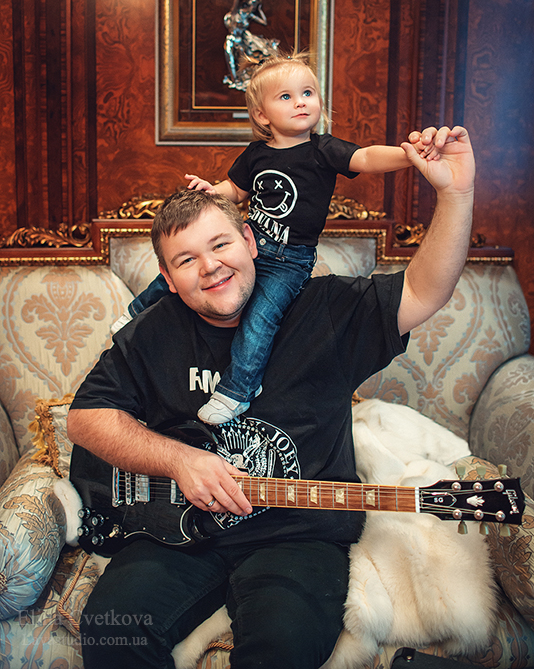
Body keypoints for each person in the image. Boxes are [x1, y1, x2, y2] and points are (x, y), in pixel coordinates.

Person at [67, 123, 475, 669]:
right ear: (166, 276)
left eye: (221, 244)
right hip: (177, 534)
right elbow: (85, 418)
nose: (210, 266)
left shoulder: (324, 309)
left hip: (298, 537)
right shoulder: (152, 331)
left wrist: (456, 193)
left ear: (251, 241)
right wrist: (180, 460)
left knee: (282, 647)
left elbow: (426, 289)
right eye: (186, 260)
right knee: (109, 631)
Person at [120, 52, 441, 426]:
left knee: (260, 318)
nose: (300, 102)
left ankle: (236, 392)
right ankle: (134, 313)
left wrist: (409, 155)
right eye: (286, 97)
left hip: (289, 260)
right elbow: (236, 190)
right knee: (185, 273)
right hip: (250, 244)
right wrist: (212, 190)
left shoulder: (323, 150)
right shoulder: (257, 154)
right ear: (262, 115)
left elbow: (367, 158)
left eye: (308, 93)